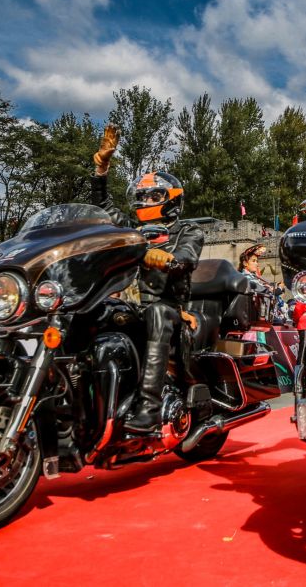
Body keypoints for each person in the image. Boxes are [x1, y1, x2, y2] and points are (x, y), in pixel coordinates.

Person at [92, 126, 205, 433]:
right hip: (137, 308)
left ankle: (150, 408)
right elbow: (105, 211)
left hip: (172, 309)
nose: (145, 201)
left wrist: (168, 259)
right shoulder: (134, 231)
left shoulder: (188, 230)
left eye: (153, 195)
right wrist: (101, 170)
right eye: (141, 196)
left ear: (171, 199)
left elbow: (187, 259)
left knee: (156, 312)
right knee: (93, 313)